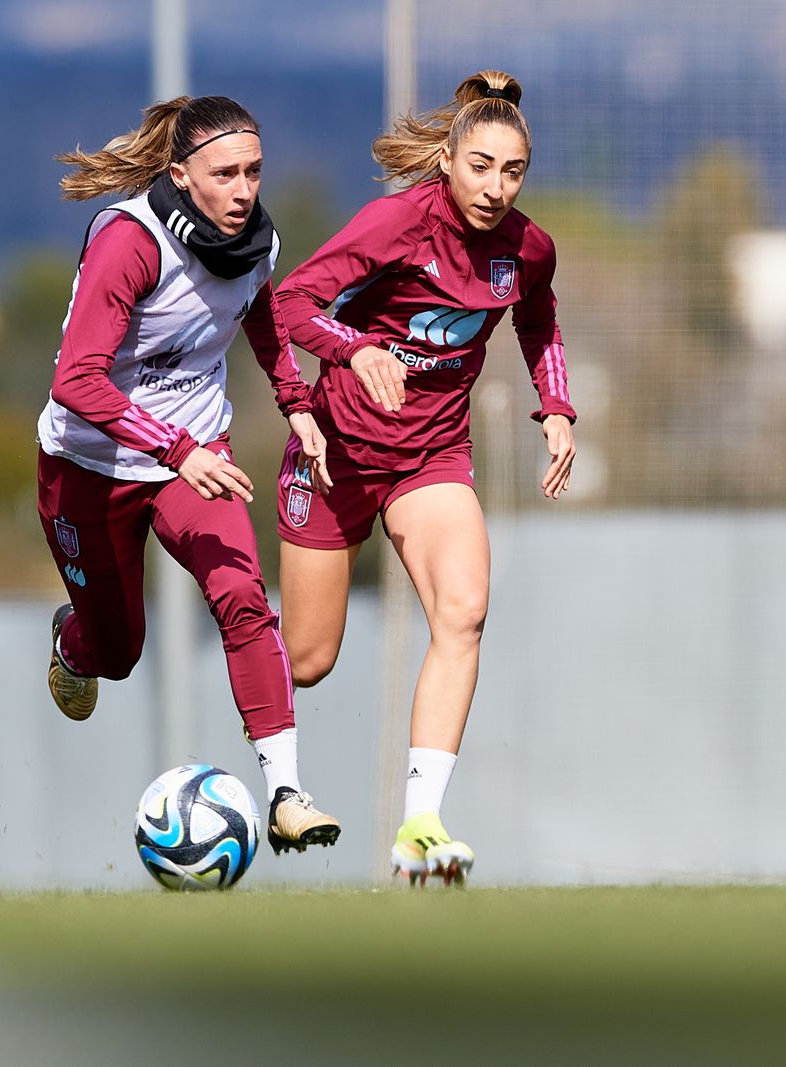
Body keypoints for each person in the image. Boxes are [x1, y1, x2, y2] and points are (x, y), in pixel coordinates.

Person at [273, 71, 576, 885]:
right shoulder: (397, 223)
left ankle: (420, 824)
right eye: (480, 166)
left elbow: (538, 313)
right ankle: (259, 755)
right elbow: (288, 301)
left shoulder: (526, 248)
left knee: (465, 610)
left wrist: (557, 407)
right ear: (446, 159)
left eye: (513, 171)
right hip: (334, 455)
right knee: (307, 659)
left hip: (429, 458)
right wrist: (355, 347)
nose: (496, 187)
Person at [37, 95, 340, 855]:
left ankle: (286, 792)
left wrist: (295, 401)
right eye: (226, 173)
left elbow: (261, 317)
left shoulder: (256, 243)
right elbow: (77, 381)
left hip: (194, 460)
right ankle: (74, 644)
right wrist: (175, 450)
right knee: (119, 652)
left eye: (255, 172)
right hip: (89, 466)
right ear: (179, 174)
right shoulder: (131, 243)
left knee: (244, 597)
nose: (244, 190)